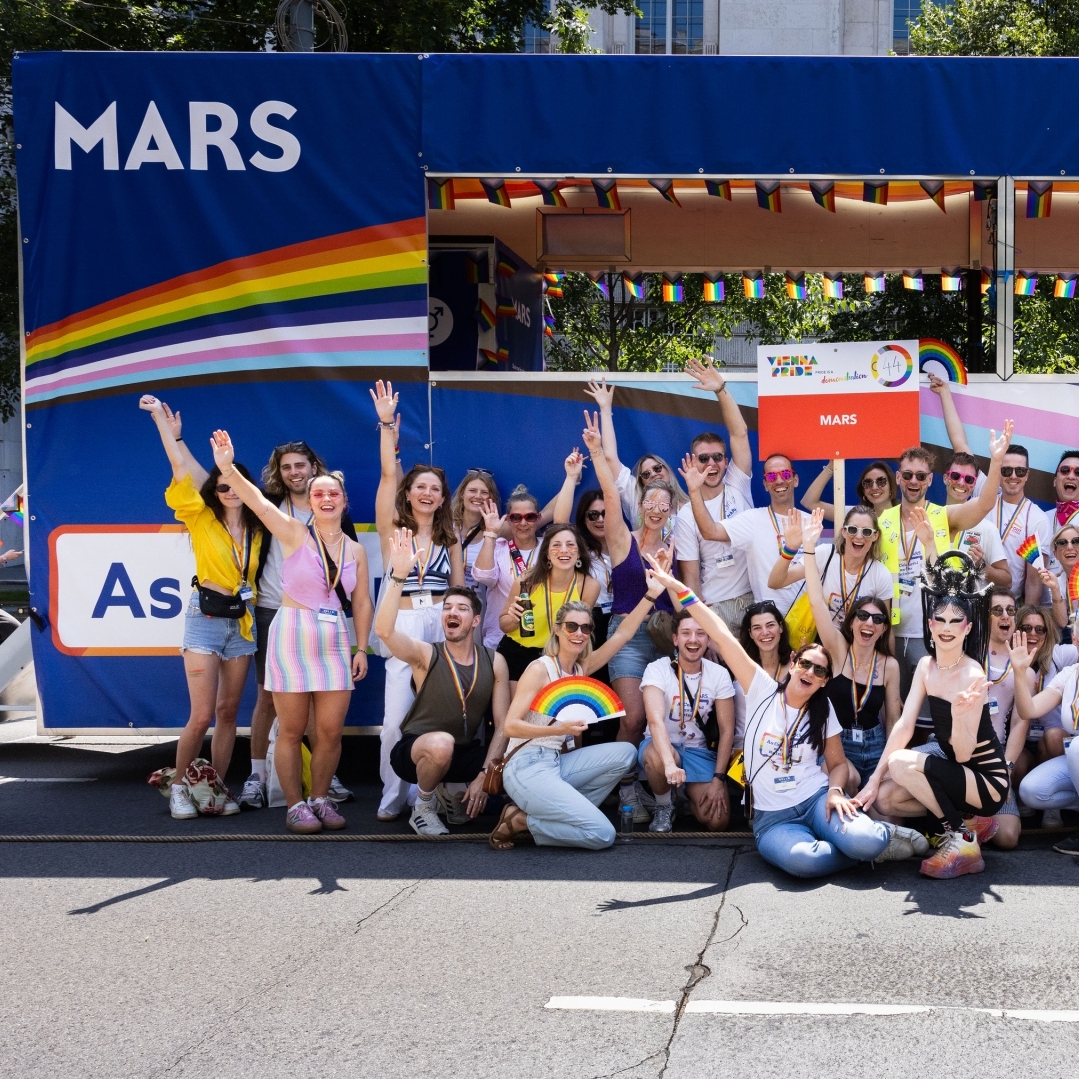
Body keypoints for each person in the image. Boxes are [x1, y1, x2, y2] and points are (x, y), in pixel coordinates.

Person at [640, 554, 921, 877]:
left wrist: (833, 790)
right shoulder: (760, 687)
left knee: (867, 840)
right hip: (774, 816)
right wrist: (677, 587)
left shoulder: (822, 707)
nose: (810, 672)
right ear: (793, 663)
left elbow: (839, 763)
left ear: (825, 680)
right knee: (804, 862)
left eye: (819, 670)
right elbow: (719, 633)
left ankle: (875, 840)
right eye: (805, 663)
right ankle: (853, 849)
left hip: (816, 800)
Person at [208, 431, 372, 833]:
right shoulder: (294, 533)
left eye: (334, 494)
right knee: (293, 728)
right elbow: (259, 503)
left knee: (331, 731)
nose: (327, 500)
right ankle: (295, 805)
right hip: (290, 634)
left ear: (344, 500)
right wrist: (228, 467)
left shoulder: (356, 550)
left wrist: (362, 647)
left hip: (333, 639)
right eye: (319, 495)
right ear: (309, 502)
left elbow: (363, 602)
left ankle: (320, 798)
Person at [139, 395, 264, 820]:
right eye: (222, 485)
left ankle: (214, 787)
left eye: (236, 485)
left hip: (242, 624)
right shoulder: (200, 515)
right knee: (201, 715)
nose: (229, 490)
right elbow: (184, 470)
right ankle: (178, 787)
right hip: (205, 618)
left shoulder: (260, 525)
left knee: (229, 713)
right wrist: (164, 425)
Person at [855, 555, 1008, 878]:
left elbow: (965, 753)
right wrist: (871, 780)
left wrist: (959, 714)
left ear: (967, 628)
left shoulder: (971, 673)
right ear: (930, 625)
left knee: (900, 764)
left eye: (956, 621)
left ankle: (962, 838)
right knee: (885, 797)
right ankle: (967, 823)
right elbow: (904, 725)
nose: (948, 628)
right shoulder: (927, 666)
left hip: (984, 780)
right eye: (941, 620)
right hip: (954, 768)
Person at [489, 585, 666, 851]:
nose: (579, 633)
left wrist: (652, 593)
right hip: (525, 767)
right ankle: (522, 821)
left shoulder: (580, 669)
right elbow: (511, 726)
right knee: (602, 834)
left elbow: (623, 634)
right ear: (558, 630)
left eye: (586, 628)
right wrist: (559, 728)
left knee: (626, 752)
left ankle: (559, 812)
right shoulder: (539, 669)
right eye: (571, 627)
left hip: (556, 763)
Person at [240, 439, 358, 810]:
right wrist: (227, 468)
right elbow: (251, 502)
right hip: (276, 612)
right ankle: (259, 778)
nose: (295, 472)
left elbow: (351, 583)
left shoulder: (339, 518)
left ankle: (321, 783)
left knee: (323, 719)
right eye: (287, 467)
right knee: (268, 701)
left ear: (313, 469)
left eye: (300, 466)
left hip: (325, 623)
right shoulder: (277, 511)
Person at [375, 528, 511, 835]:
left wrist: (484, 776)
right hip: (416, 752)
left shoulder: (493, 660)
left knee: (518, 761)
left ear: (475, 621)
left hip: (464, 754)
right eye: (447, 608)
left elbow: (503, 725)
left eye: (462, 609)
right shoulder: (426, 654)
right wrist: (397, 576)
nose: (453, 612)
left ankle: (450, 793)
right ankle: (422, 806)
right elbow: (384, 631)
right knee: (441, 743)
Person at [877, 430, 1011, 737]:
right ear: (898, 478)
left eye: (920, 476)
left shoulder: (944, 515)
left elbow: (985, 504)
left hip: (932, 631)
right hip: (891, 631)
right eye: (908, 475)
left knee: (932, 720)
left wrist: (996, 459)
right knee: (895, 714)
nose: (914, 481)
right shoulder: (881, 520)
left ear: (930, 480)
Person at [371, 380, 464, 821]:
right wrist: (387, 423)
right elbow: (389, 473)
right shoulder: (394, 530)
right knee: (395, 720)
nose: (427, 493)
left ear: (443, 499)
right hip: (404, 624)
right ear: (409, 494)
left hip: (439, 628)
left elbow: (460, 594)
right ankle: (393, 796)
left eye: (435, 489)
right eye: (419, 487)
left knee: (435, 718)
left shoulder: (451, 537)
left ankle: (424, 795)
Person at [581, 411, 677, 820]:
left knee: (666, 720)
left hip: (668, 637)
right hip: (628, 635)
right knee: (634, 717)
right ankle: (626, 789)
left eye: (663, 503)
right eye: (649, 502)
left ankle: (663, 791)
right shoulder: (623, 539)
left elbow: (690, 594)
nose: (655, 509)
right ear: (639, 505)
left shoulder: (677, 543)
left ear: (671, 508)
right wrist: (598, 452)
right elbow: (608, 490)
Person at [798, 508, 900, 795]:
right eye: (863, 617)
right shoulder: (839, 650)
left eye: (878, 619)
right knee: (851, 783)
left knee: (885, 807)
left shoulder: (889, 666)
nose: (870, 623)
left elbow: (893, 721)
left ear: (883, 628)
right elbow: (818, 602)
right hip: (840, 745)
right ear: (851, 622)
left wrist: (888, 766)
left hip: (877, 744)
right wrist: (808, 549)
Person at [671, 356, 756, 630]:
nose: (711, 464)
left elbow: (740, 433)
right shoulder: (685, 515)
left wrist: (721, 390)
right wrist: (701, 624)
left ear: (726, 461)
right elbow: (691, 577)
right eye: (704, 459)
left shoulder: (737, 484)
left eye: (718, 457)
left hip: (753, 602)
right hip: (715, 608)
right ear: (693, 462)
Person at [639, 610, 737, 832]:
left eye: (700, 633)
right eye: (686, 633)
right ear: (675, 639)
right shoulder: (657, 669)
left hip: (698, 751)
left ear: (708, 639)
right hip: (663, 747)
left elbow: (727, 729)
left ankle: (683, 794)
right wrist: (669, 764)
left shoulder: (719, 673)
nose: (693, 640)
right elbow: (655, 722)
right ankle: (664, 805)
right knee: (659, 757)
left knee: (717, 821)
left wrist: (718, 780)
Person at [471, 456, 580, 649]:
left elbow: (561, 523)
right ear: (508, 519)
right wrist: (491, 533)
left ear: (538, 518)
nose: (523, 523)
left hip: (546, 642)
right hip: (502, 641)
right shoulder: (498, 547)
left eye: (530, 517)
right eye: (515, 517)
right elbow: (482, 577)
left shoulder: (549, 548)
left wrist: (570, 479)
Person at [683, 451, 806, 613]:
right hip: (768, 625)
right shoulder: (753, 520)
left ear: (795, 480)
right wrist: (694, 491)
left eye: (785, 474)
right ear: (765, 484)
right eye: (771, 477)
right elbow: (710, 532)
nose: (779, 480)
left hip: (807, 622)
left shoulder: (813, 522)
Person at [496, 523, 599, 692]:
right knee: (516, 715)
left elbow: (577, 630)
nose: (564, 550)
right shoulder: (526, 581)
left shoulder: (589, 585)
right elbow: (503, 624)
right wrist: (513, 618)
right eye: (556, 545)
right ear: (546, 554)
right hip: (517, 653)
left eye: (570, 545)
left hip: (556, 658)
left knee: (547, 717)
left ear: (579, 552)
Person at [970, 586, 1036, 850]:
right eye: (997, 611)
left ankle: (964, 820)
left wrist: (1007, 767)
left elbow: (1021, 721)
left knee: (1008, 837)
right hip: (961, 749)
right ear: (985, 616)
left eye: (1010, 611)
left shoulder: (1024, 669)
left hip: (995, 754)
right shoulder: (969, 654)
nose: (1005, 616)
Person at [583, 375, 688, 524]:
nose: (653, 474)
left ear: (667, 469)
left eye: (657, 468)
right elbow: (610, 457)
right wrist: (605, 408)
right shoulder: (635, 499)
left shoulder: (691, 507)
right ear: (641, 483)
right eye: (645, 474)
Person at [768, 504, 892, 628]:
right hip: (822, 639)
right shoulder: (825, 554)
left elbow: (884, 625)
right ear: (843, 532)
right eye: (852, 529)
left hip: (860, 641)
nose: (859, 536)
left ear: (875, 536)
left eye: (867, 532)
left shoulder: (880, 574)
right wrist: (790, 549)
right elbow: (775, 582)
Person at [937, 450, 1011, 590]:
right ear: (945, 478)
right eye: (955, 476)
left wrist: (980, 565)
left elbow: (1007, 581)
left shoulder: (987, 528)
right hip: (932, 608)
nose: (961, 483)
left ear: (974, 484)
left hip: (969, 609)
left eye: (969, 479)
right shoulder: (929, 519)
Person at [450, 468, 501, 593]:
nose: (477, 496)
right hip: (444, 606)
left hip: (479, 608)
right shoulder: (446, 526)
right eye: (472, 490)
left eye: (484, 492)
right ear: (462, 494)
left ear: (491, 498)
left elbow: (536, 521)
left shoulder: (499, 529)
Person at [800, 460, 898, 521]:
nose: (875, 487)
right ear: (863, 491)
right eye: (868, 483)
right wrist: (831, 466)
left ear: (891, 485)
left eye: (881, 481)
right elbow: (809, 502)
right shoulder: (855, 515)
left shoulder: (905, 513)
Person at [1044, 525, 1079, 630]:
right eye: (1062, 543)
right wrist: (1055, 589)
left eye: (1076, 541)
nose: (1069, 547)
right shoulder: (1058, 582)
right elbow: (1062, 623)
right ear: (1056, 554)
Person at [1052, 450, 1079, 530]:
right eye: (1065, 470)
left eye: (1078, 472)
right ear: (1055, 481)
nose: (1071, 476)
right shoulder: (1042, 519)